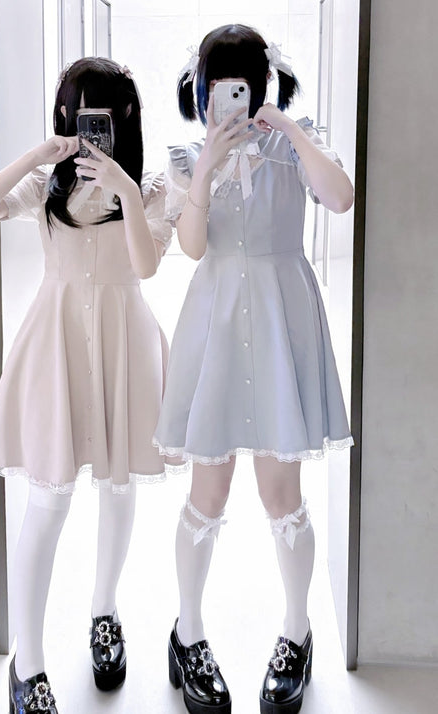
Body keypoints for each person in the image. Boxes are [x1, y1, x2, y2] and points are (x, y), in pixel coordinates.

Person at [0, 57, 173, 713]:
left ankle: (104, 611)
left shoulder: (150, 189)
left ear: (124, 118)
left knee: (117, 486)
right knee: (48, 502)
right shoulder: (48, 188)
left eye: (98, 116)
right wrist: (36, 156)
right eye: (76, 115)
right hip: (57, 350)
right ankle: (29, 666)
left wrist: (125, 190)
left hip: (123, 347)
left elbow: (146, 267)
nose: (87, 128)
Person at [153, 24, 354, 714]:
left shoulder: (295, 146)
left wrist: (289, 129)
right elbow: (190, 245)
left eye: (241, 85)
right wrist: (209, 164)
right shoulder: (188, 158)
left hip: (279, 322)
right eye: (218, 85)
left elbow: (340, 197)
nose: (228, 98)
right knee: (206, 495)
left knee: (281, 496)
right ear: (201, 90)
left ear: (262, 86)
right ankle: (187, 633)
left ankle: (296, 635)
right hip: (216, 322)